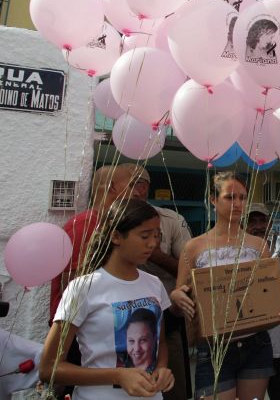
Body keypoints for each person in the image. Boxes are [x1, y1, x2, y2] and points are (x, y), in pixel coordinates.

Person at [169, 172, 280, 400]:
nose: (238, 204)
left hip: (255, 343)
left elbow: (270, 294)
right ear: (213, 200)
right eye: (230, 197)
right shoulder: (193, 248)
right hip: (213, 345)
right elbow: (180, 303)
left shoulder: (260, 246)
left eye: (242, 197)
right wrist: (177, 297)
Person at [39, 199, 174, 399]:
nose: (153, 243)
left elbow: (160, 343)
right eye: (144, 236)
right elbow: (49, 368)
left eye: (156, 235)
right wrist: (118, 375)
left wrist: (162, 369)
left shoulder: (154, 284)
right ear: (116, 237)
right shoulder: (83, 288)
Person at [49, 165, 133, 399]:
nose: (138, 192)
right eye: (132, 184)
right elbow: (73, 281)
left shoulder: (108, 224)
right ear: (112, 188)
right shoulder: (86, 224)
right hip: (77, 330)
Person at [119, 164, 193, 400]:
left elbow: (191, 270)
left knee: (172, 386)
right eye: (128, 184)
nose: (135, 190)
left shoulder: (171, 220)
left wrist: (156, 255)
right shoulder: (107, 223)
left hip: (166, 318)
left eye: (139, 184)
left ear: (146, 188)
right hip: (118, 318)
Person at [246, 202, 280, 400]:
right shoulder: (237, 252)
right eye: (252, 221)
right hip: (248, 342)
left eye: (262, 220)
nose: (258, 225)